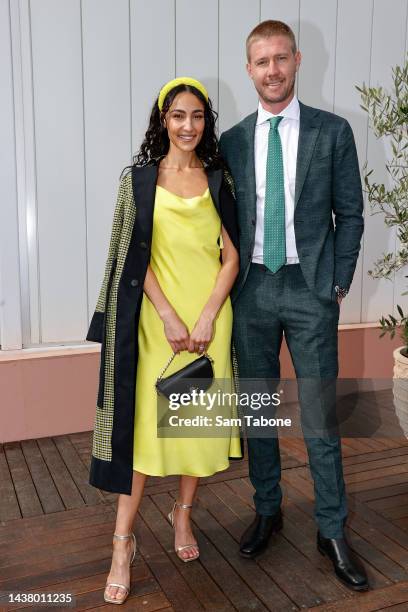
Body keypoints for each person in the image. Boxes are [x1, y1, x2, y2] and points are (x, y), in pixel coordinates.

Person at [219, 20, 369, 591]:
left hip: (310, 291)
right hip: (252, 289)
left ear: (298, 60)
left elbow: (350, 214)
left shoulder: (333, 132)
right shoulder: (231, 141)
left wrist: (336, 281)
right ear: (249, 68)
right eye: (262, 61)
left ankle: (332, 527)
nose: (273, 70)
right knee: (258, 410)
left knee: (319, 416)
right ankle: (268, 509)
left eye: (281, 58)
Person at [86, 76, 242, 604]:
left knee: (192, 433)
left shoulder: (220, 179)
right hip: (158, 325)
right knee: (147, 438)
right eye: (178, 115)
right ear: (162, 120)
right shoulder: (138, 180)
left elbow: (232, 257)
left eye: (197, 116)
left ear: (206, 121)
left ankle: (182, 518)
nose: (188, 126)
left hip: (208, 326)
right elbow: (133, 257)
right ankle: (122, 543)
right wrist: (173, 317)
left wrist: (207, 317)